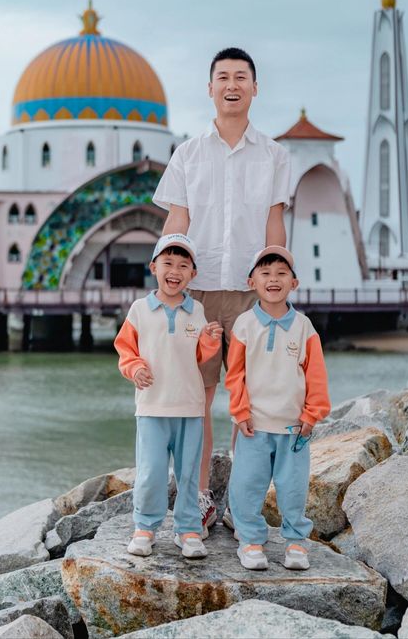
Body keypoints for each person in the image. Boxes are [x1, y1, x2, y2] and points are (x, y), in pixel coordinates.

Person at [152, 46, 291, 531]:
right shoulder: (187, 154)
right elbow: (177, 222)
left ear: (255, 87)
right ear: (210, 88)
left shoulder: (275, 155)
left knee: (250, 398)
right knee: (198, 396)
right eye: (223, 77)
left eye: (241, 77)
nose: (232, 85)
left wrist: (275, 284)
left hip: (252, 293)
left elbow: (275, 223)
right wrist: (170, 282)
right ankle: (199, 496)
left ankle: (241, 500)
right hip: (201, 293)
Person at [114, 233, 223, 559]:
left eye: (183, 265)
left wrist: (211, 340)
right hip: (152, 408)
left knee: (189, 472)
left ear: (193, 274)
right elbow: (124, 350)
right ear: (153, 267)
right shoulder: (139, 310)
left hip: (191, 407)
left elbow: (201, 356)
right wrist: (134, 369)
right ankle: (145, 528)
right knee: (151, 471)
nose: (174, 271)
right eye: (168, 263)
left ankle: (188, 530)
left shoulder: (197, 310)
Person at [225, 246, 331, 570]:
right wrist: (240, 412)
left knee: (293, 488)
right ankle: (251, 541)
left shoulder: (304, 326)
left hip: (294, 427)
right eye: (265, 273)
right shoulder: (244, 325)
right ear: (251, 281)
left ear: (294, 283)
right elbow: (235, 375)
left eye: (282, 273)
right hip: (254, 425)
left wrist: (312, 414)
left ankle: (297, 543)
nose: (274, 279)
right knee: (246, 484)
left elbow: (316, 376)